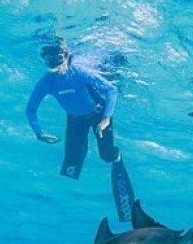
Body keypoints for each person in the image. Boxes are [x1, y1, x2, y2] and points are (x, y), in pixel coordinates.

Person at [26, 37, 136, 222]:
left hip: (98, 114)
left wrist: (106, 118)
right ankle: (64, 208)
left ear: (66, 56)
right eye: (50, 62)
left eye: (59, 59)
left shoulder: (79, 72)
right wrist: (39, 133)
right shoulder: (46, 82)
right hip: (75, 119)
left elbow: (111, 91)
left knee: (106, 156)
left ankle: (116, 157)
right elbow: (31, 109)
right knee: (70, 164)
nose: (56, 66)